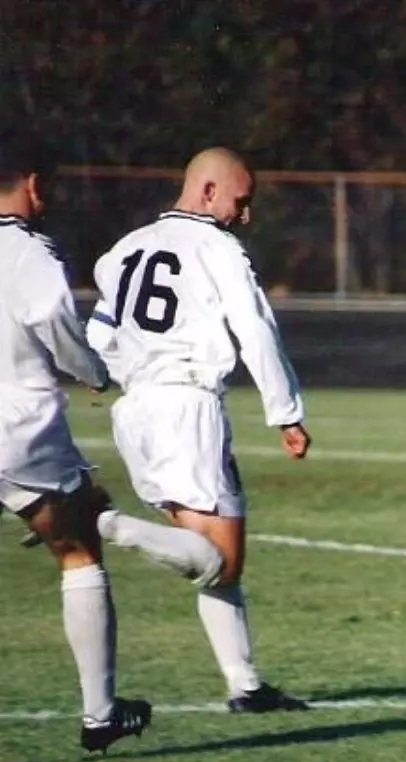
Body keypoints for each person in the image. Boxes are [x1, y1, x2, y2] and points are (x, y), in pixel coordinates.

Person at [87, 147, 311, 714]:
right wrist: (285, 410)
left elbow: (99, 334)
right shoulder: (217, 248)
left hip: (135, 410)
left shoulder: (123, 251)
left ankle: (246, 686)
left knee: (214, 558)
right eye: (242, 201)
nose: (246, 215)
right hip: (188, 406)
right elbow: (255, 330)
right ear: (209, 192)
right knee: (222, 563)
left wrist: (101, 378)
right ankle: (105, 523)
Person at [0, 129, 154, 753]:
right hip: (19, 427)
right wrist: (95, 372)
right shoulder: (29, 253)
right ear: (34, 185)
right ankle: (100, 714)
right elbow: (58, 329)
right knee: (79, 547)